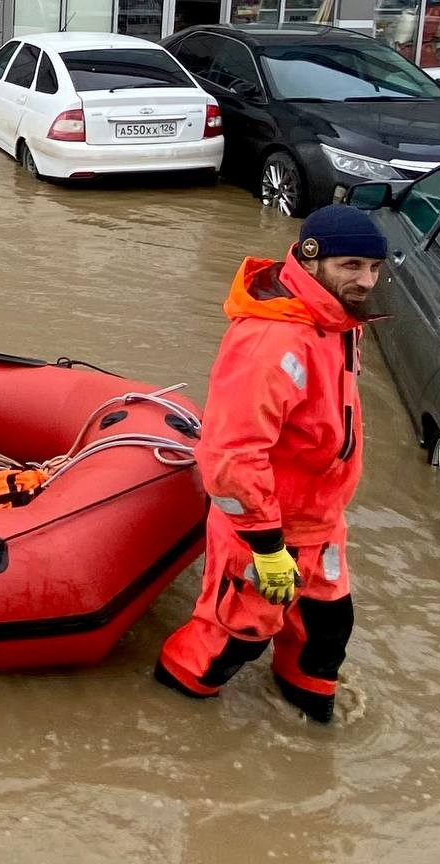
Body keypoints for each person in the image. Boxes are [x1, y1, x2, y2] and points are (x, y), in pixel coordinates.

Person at [153, 203, 385, 724]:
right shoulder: (271, 341)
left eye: (373, 268)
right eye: (351, 266)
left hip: (320, 521)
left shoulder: (340, 321)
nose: (367, 280)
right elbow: (231, 452)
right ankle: (173, 706)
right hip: (265, 526)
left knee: (328, 630)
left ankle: (311, 719)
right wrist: (266, 544)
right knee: (232, 642)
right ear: (310, 259)